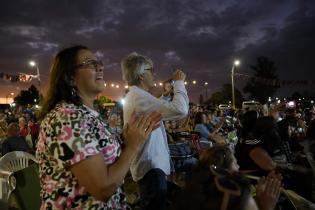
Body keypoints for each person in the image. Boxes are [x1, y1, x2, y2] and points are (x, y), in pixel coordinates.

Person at [36, 45, 162, 210]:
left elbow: (104, 158)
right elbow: (103, 189)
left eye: (99, 62)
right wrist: (133, 146)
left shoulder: (87, 115)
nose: (100, 67)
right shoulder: (67, 118)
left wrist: (128, 138)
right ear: (70, 78)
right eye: (90, 63)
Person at [121, 52, 189, 210]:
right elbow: (180, 110)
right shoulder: (138, 97)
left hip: (150, 166)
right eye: (151, 70)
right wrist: (179, 83)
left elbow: (156, 110)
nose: (154, 73)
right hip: (150, 167)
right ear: (141, 75)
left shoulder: (137, 96)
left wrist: (164, 96)